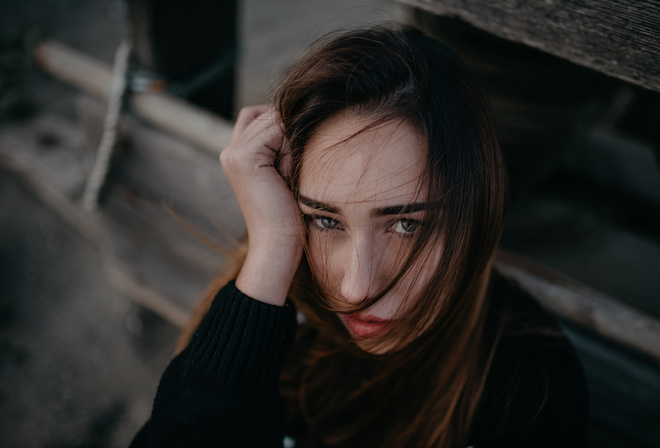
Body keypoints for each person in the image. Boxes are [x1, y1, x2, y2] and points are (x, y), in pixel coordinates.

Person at [129, 24, 589, 447]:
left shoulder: (529, 387)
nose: (356, 289)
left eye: (408, 224)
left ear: (476, 211)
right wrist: (270, 247)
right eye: (325, 220)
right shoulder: (277, 309)